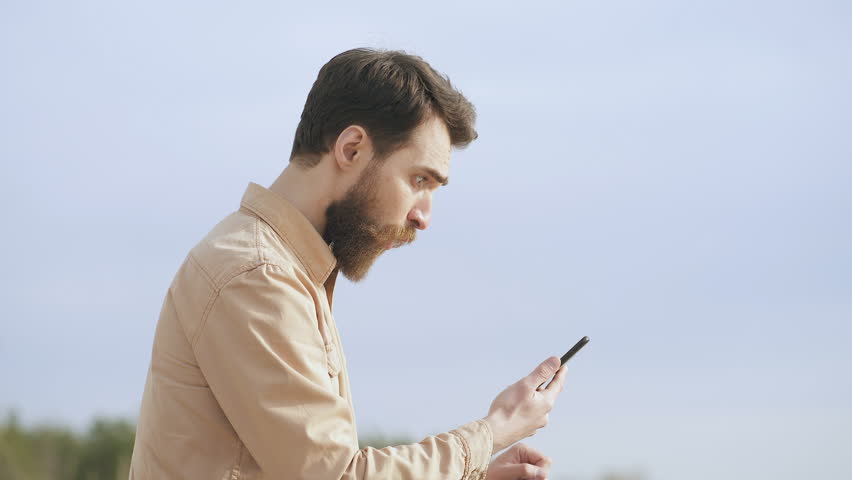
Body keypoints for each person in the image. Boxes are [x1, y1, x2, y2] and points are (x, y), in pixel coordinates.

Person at [128, 47, 568, 480]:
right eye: (419, 180)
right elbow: (337, 476)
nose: (423, 216)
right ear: (352, 148)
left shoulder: (289, 271)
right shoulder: (258, 275)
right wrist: (493, 431)